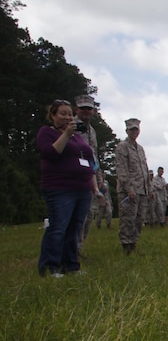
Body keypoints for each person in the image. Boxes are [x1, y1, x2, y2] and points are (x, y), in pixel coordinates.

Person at [36, 99, 97, 276]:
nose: (67, 117)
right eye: (62, 113)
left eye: (69, 114)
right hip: (60, 188)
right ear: (53, 115)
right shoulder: (46, 132)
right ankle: (49, 267)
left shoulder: (77, 136)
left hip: (83, 188)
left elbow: (91, 162)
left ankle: (70, 265)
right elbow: (51, 153)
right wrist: (65, 134)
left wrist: (94, 186)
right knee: (58, 227)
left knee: (74, 228)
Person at [115, 118, 151, 255]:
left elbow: (145, 169)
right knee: (127, 219)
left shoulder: (140, 149)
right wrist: (128, 188)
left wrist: (149, 188)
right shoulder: (122, 147)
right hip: (129, 190)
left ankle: (133, 243)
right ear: (127, 131)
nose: (134, 132)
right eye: (132, 129)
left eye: (136, 129)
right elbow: (122, 169)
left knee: (139, 219)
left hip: (142, 189)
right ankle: (126, 245)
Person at [74, 94, 104, 249]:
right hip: (75, 176)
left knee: (89, 214)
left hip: (90, 177)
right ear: (77, 109)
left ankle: (79, 247)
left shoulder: (92, 130)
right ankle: (72, 250)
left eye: (89, 109)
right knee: (77, 216)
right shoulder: (70, 126)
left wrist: (98, 177)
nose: (86, 111)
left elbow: (94, 156)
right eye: (83, 108)